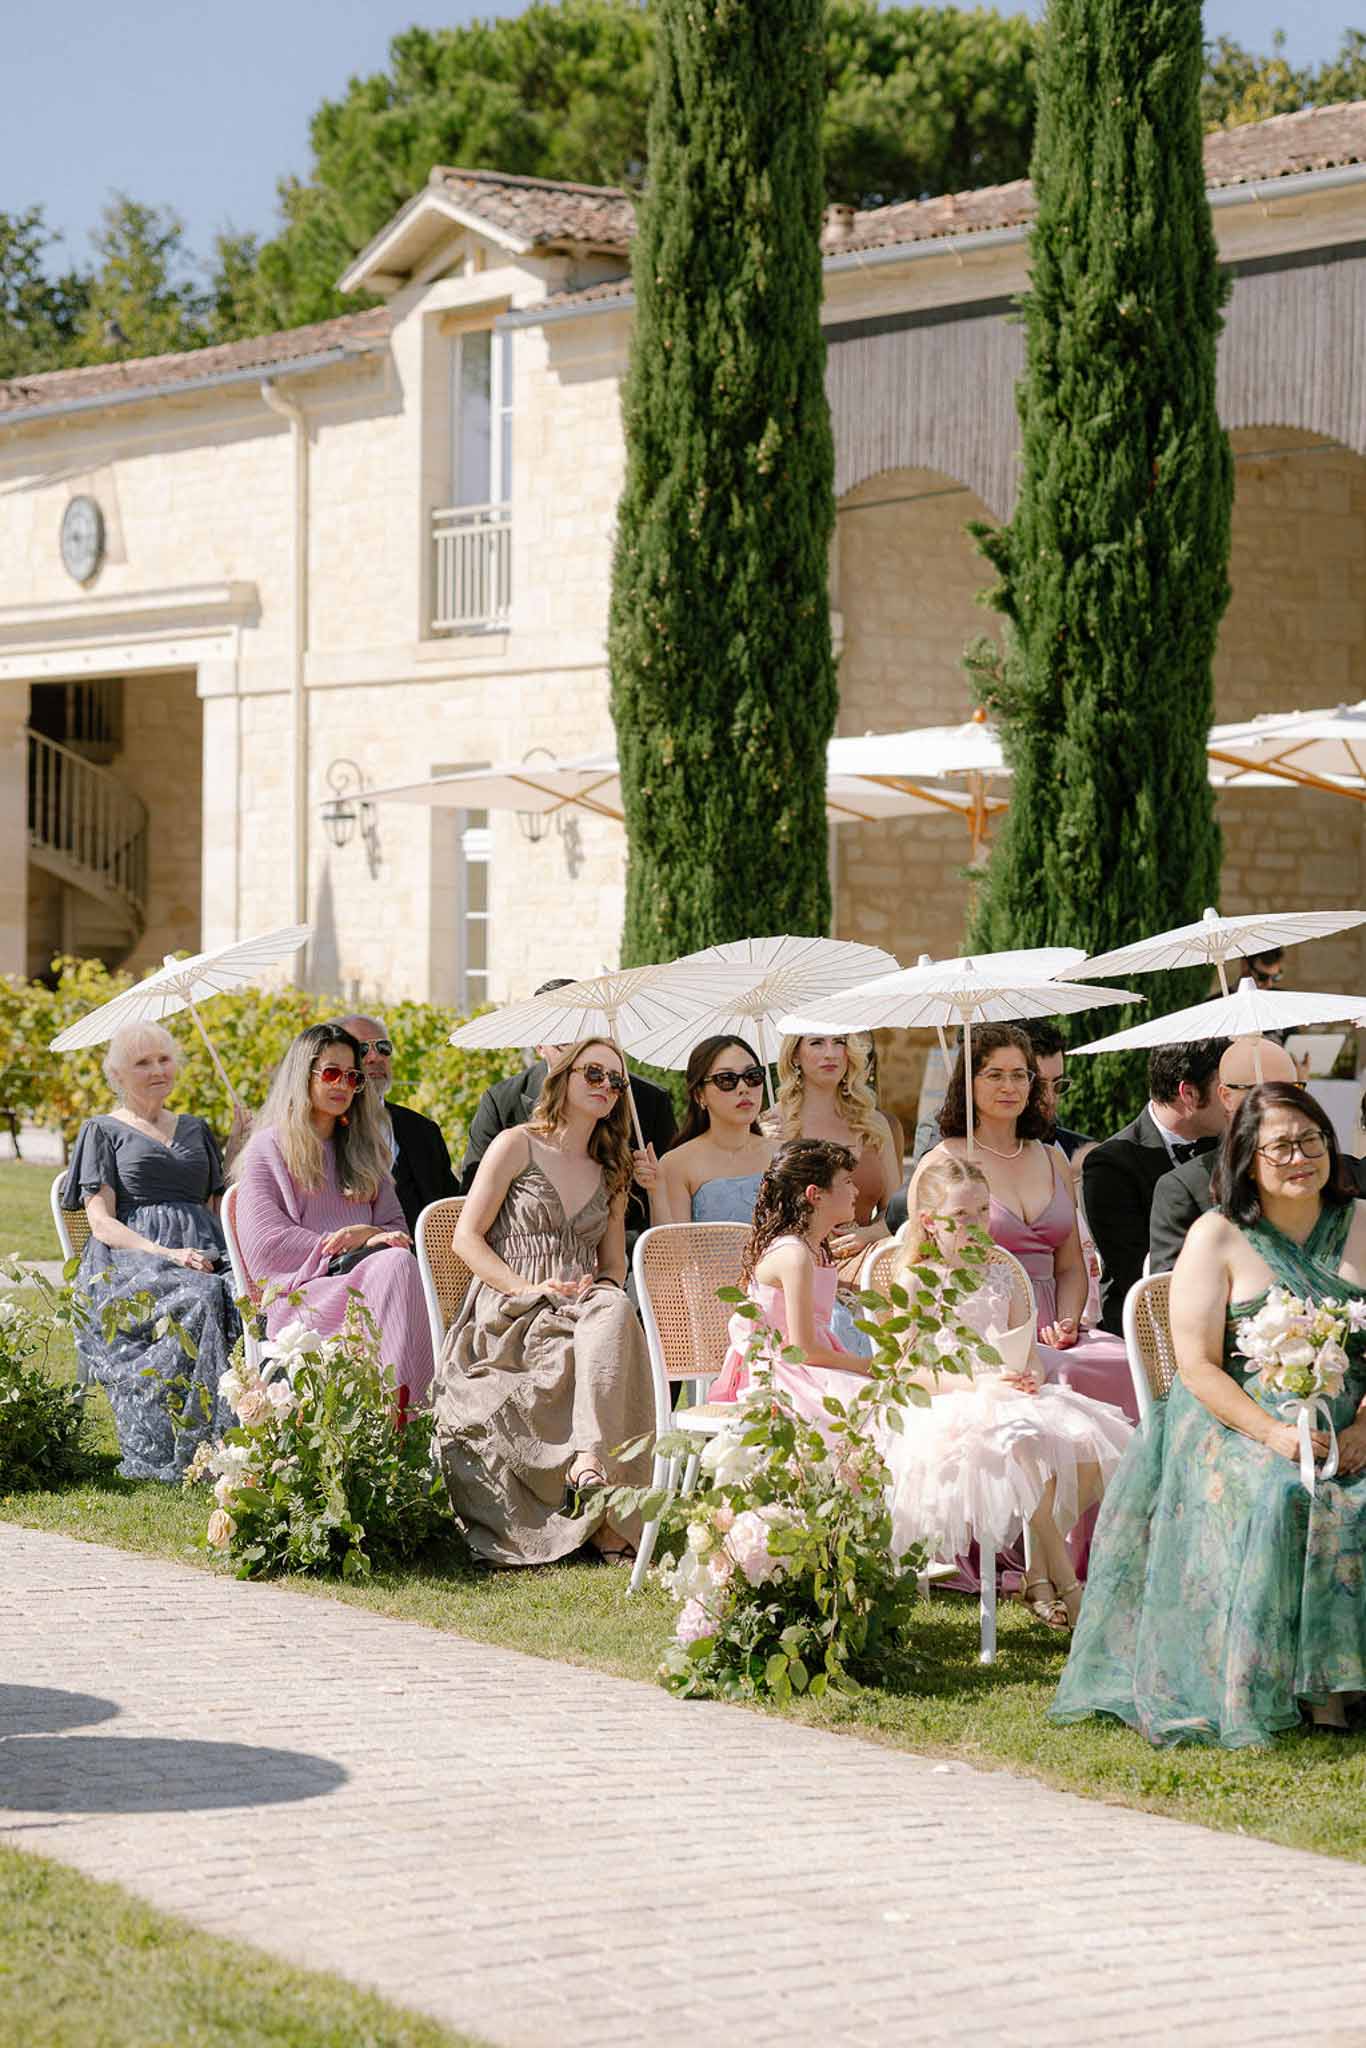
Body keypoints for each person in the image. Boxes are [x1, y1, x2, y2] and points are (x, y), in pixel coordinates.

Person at [1051, 1083, 1366, 1747]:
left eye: (1312, 1141)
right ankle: (1293, 1688)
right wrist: (1276, 1433)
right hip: (1235, 1422)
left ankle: (1347, 1684)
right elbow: (1196, 1366)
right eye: (1280, 1146)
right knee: (1286, 1495)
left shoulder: (1364, 1223)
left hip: (1352, 1424)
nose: (1300, 1157)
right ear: (1248, 1158)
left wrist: (1364, 1427)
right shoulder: (1217, 1235)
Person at [433, 1039, 653, 1567]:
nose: (606, 1087)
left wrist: (592, 1288)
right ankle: (606, 1516)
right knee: (613, 1321)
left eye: (616, 1081)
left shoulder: (613, 1167)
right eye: (594, 1073)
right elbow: (467, 1238)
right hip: (512, 1308)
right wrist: (525, 1289)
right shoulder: (516, 1144)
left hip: (584, 1305)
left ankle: (591, 1462)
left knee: (614, 1307)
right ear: (564, 1075)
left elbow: (614, 1265)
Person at [888, 1156, 1131, 1628]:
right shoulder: (916, 1280)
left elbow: (1026, 1345)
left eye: (982, 1212)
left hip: (1007, 1391)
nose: (976, 1224)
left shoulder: (1003, 1270)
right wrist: (978, 1382)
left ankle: (1037, 1573)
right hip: (946, 1399)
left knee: (1095, 1451)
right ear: (928, 1221)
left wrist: (1033, 1374)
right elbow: (902, 1371)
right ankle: (1068, 1588)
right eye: (961, 1216)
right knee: (1019, 1448)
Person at [910, 1025, 1135, 1416]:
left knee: (1123, 1361)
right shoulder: (942, 1162)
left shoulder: (1052, 1158)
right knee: (1066, 1373)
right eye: (995, 1075)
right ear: (969, 1082)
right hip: (988, 1328)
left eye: (1020, 1075)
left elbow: (1069, 1266)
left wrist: (1067, 1322)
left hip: (1057, 1325)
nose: (1009, 1086)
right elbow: (925, 1264)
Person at [59, 1021, 236, 1482]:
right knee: (200, 1296)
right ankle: (199, 1445)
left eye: (164, 1058)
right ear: (117, 1076)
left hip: (208, 1250)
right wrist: (168, 1252)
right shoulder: (102, 1131)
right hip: (135, 1261)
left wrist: (240, 1143)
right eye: (142, 1062)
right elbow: (101, 1222)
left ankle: (249, 1441)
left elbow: (217, 1205)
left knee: (251, 1293)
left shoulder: (196, 1128)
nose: (158, 1069)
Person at [231, 1024, 433, 1404]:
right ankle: (399, 1413)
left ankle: (400, 1413)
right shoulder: (268, 1148)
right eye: (331, 1073)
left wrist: (365, 1234)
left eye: (353, 1077)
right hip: (301, 1297)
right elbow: (265, 1244)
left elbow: (394, 1230)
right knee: (396, 1269)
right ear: (302, 1075)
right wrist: (340, 1244)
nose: (343, 1084)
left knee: (398, 1265)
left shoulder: (363, 1149)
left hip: (373, 1282)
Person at [456, 978, 676, 1251]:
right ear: (539, 1044)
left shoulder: (646, 1101)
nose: (575, 1051)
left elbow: (664, 1221)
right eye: (563, 1041)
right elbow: (471, 1204)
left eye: (582, 1038)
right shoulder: (502, 1103)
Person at [708, 1138, 871, 1418]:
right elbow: (803, 1349)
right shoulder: (794, 1254)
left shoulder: (815, 1248)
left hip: (806, 1367)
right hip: (783, 1375)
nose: (856, 1190)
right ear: (815, 1194)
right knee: (874, 1405)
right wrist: (867, 1365)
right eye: (846, 1182)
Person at [1082, 1039, 1229, 1334]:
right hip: (1146, 1331)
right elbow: (1136, 1271)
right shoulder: (1111, 1165)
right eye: (1224, 1089)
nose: (1233, 1100)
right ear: (1188, 1094)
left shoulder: (1233, 1144)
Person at [1148, 1037, 1299, 1272]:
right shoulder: (1184, 1189)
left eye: (1293, 1089)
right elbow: (1170, 1293)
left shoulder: (1322, 1166)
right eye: (1261, 1090)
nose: (1281, 1102)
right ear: (1226, 1097)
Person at [332, 1014, 458, 1236]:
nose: (375, 1057)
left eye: (383, 1047)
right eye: (362, 1049)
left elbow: (449, 1209)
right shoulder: (323, 1129)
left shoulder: (422, 1131)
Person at [651, 1035, 775, 1227]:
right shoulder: (676, 1164)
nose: (743, 1088)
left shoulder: (784, 1155)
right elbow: (673, 1252)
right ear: (699, 1094)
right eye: (726, 1079)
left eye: (753, 1076)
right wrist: (655, 1192)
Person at [1020, 1020, 1095, 1165]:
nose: (1050, 1099)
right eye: (1039, 1085)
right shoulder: (975, 1156)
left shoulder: (1083, 1153)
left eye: (1058, 1085)